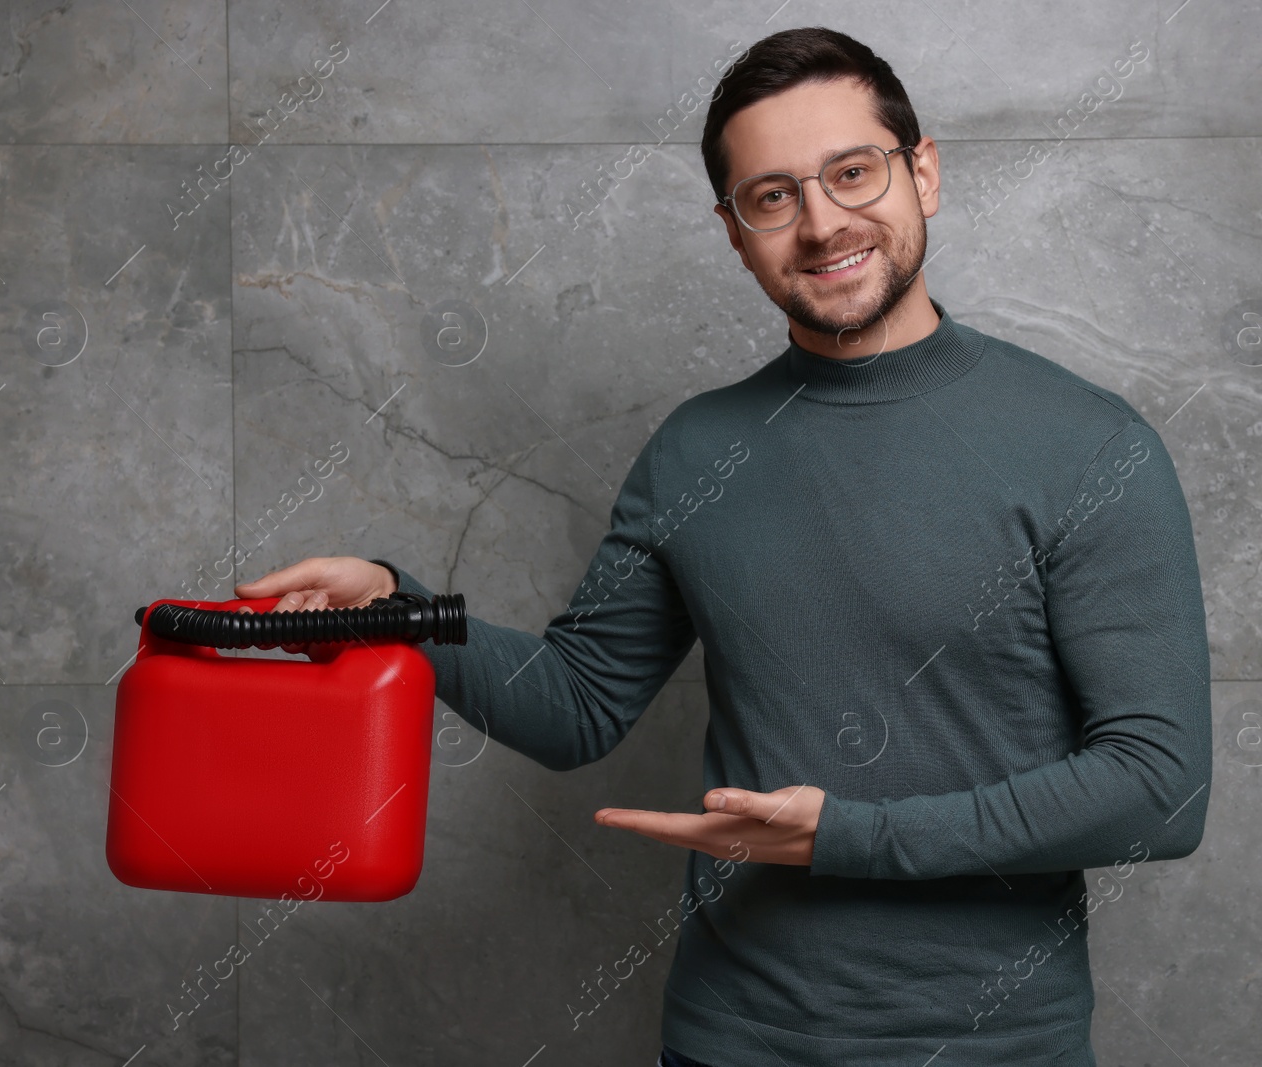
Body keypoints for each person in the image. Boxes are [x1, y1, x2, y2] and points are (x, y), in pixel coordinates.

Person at [236, 25, 1211, 1067]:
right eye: (773, 195)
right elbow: (576, 702)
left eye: (852, 172)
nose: (823, 222)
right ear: (733, 230)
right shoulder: (698, 449)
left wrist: (847, 838)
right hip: (729, 1040)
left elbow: (1160, 785)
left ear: (921, 172)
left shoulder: (1088, 445)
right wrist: (396, 602)